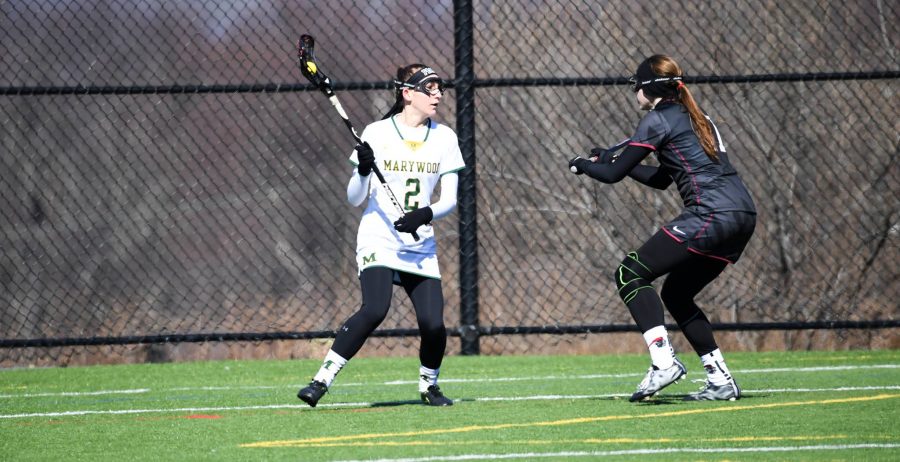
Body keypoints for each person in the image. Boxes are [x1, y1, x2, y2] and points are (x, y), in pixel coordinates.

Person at [567, 54, 757, 402]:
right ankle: (720, 380)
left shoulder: (657, 120)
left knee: (629, 274)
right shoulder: (699, 118)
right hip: (742, 214)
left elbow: (611, 175)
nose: (635, 91)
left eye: (636, 85)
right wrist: (611, 158)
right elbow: (660, 179)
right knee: (677, 294)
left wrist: (581, 164)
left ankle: (663, 362)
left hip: (710, 214)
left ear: (649, 87)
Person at [298, 64, 465, 407]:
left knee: (433, 324)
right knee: (375, 308)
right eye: (430, 89)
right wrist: (362, 169)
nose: (438, 95)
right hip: (380, 239)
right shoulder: (376, 132)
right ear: (407, 93)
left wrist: (425, 213)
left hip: (419, 245)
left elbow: (449, 199)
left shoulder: (445, 137)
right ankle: (320, 381)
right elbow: (355, 198)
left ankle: (429, 386)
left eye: (439, 89)